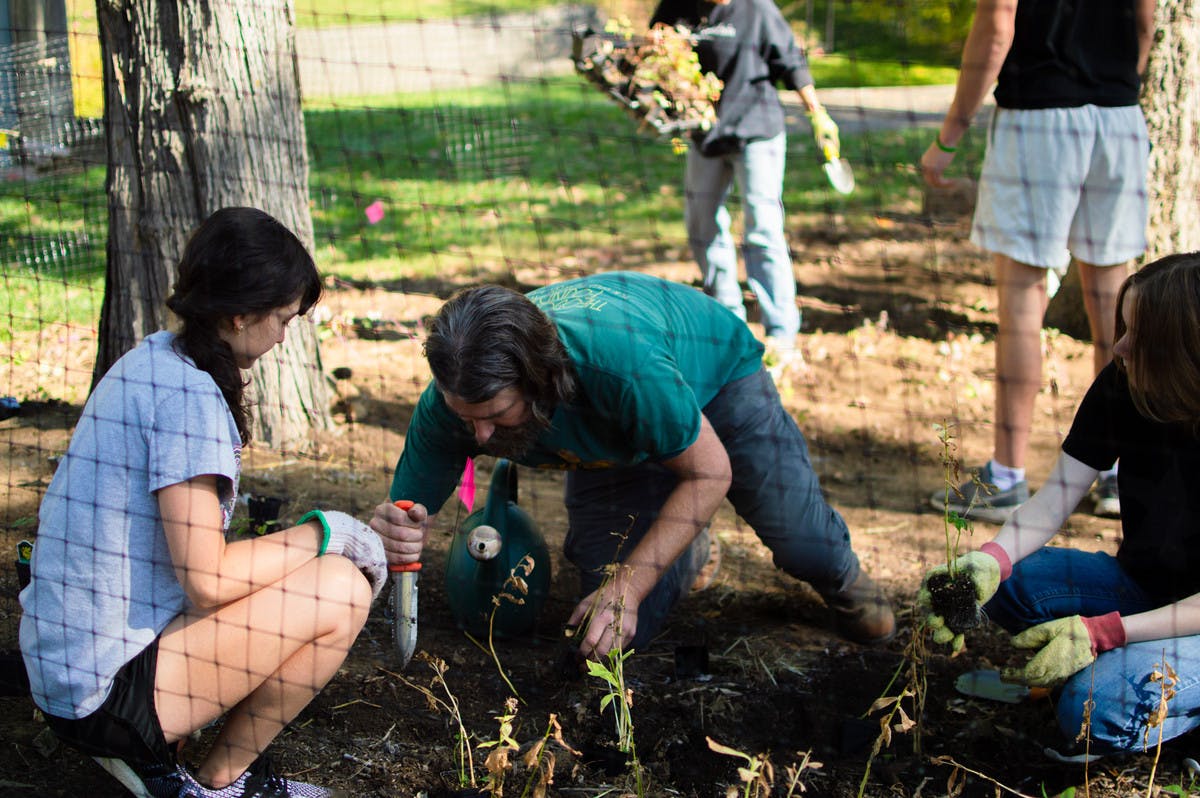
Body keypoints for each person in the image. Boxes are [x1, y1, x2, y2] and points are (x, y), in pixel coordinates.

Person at [19, 207, 386, 798]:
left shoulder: (157, 357)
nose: (284, 336)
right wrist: (330, 531)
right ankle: (218, 785)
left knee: (298, 575)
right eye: (283, 320)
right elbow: (209, 581)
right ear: (240, 314)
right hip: (99, 693)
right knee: (341, 587)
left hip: (66, 665)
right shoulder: (190, 401)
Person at [371, 271, 894, 659]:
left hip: (712, 382)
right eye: (468, 419)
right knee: (606, 634)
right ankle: (688, 546)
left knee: (804, 543)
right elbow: (407, 511)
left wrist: (630, 584)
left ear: (541, 380)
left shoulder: (620, 367)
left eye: (495, 416)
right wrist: (398, 532)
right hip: (616, 440)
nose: (479, 437)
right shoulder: (455, 398)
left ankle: (845, 581)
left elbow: (712, 471)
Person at [918, 253, 1200, 754]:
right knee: (1012, 582)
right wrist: (990, 560)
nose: (1120, 345)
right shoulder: (1123, 382)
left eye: (1140, 335)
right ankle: (1130, 667)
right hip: (1145, 589)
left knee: (1089, 711)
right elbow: (1054, 500)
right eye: (1124, 326)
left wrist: (1104, 633)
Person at [920, 0, 1155, 523]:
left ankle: (1006, 476)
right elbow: (1144, 20)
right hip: (1119, 118)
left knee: (1023, 307)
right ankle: (1117, 473)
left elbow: (998, 21)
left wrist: (948, 137)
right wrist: (1113, 86)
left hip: (1038, 120)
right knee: (1116, 309)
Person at [648, 0, 842, 368]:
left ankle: (782, 336)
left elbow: (791, 63)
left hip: (758, 131)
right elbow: (652, 46)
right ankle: (728, 326)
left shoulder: (757, 9)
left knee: (763, 229)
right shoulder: (678, 4)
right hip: (704, 132)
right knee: (701, 224)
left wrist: (818, 113)